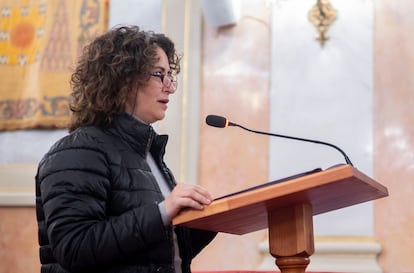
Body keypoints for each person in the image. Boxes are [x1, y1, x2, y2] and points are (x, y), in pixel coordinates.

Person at [35, 25, 217, 273]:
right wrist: (162, 212)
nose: (170, 87)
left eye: (169, 76)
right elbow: (75, 248)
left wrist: (207, 222)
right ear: (122, 78)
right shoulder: (76, 151)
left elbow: (153, 256)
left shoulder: (148, 154)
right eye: (158, 74)